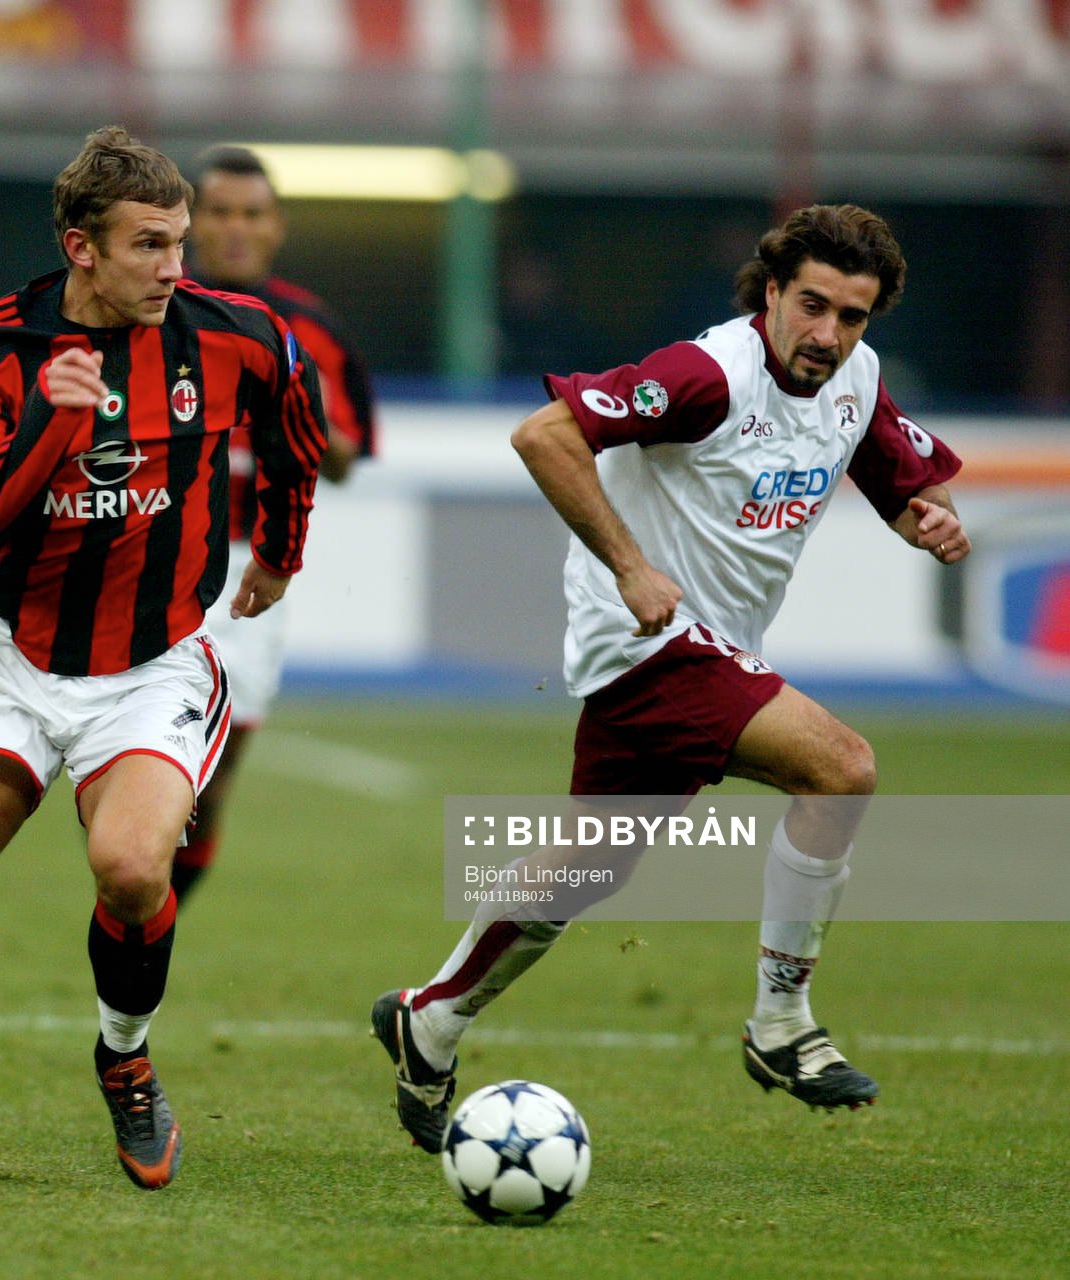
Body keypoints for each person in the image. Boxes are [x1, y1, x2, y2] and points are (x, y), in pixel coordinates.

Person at [372, 203, 971, 1151]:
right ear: (770, 292)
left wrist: (927, 522)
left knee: (587, 869)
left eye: (850, 316)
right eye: (810, 305)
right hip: (647, 642)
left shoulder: (854, 377)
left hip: (705, 646)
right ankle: (781, 1024)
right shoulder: (705, 376)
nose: (826, 334)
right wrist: (627, 565)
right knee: (840, 768)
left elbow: (901, 481)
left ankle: (432, 1016)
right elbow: (543, 436)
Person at [0, 126, 327, 1189]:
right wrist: (53, 431)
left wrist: (280, 553)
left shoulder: (233, 334)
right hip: (1, 657)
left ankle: (124, 1056)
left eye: (180, 243)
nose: (173, 268)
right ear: (80, 245)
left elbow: (298, 419)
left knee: (131, 865)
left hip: (152, 662)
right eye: (149, 245)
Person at [173, 144, 378, 903]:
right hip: (148, 554)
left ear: (276, 227)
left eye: (251, 215)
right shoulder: (149, 306)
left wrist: (296, 407)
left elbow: (349, 458)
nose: (235, 229)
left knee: (212, 777)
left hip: (247, 576)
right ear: (192, 223)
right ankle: (130, 905)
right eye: (219, 212)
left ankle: (148, 921)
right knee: (128, 763)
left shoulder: (312, 331)